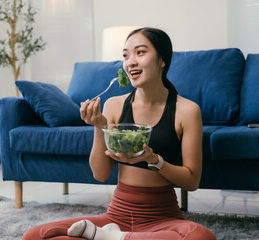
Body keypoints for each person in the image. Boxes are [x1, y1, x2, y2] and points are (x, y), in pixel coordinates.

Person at [22, 27, 216, 240]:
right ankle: (114, 236)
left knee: (201, 237)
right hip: (117, 216)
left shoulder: (186, 110)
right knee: (34, 236)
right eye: (125, 55)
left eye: (140, 52)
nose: (130, 62)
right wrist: (100, 126)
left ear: (162, 60)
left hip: (162, 217)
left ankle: (110, 238)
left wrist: (154, 160)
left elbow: (191, 181)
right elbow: (100, 174)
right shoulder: (113, 105)